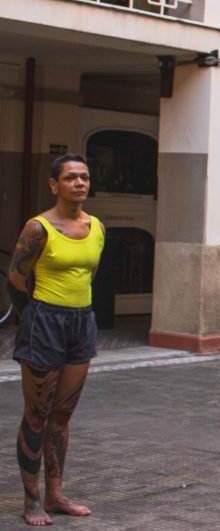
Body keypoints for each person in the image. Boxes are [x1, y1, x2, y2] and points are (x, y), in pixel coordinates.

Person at [7, 153, 105, 526]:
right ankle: (32, 501)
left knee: (62, 415)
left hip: (82, 322)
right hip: (44, 321)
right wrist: (32, 314)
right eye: (70, 178)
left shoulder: (97, 226)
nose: (79, 183)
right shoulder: (38, 228)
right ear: (54, 185)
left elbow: (89, 274)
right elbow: (16, 280)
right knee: (37, 415)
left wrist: (75, 311)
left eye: (84, 177)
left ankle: (56, 494)